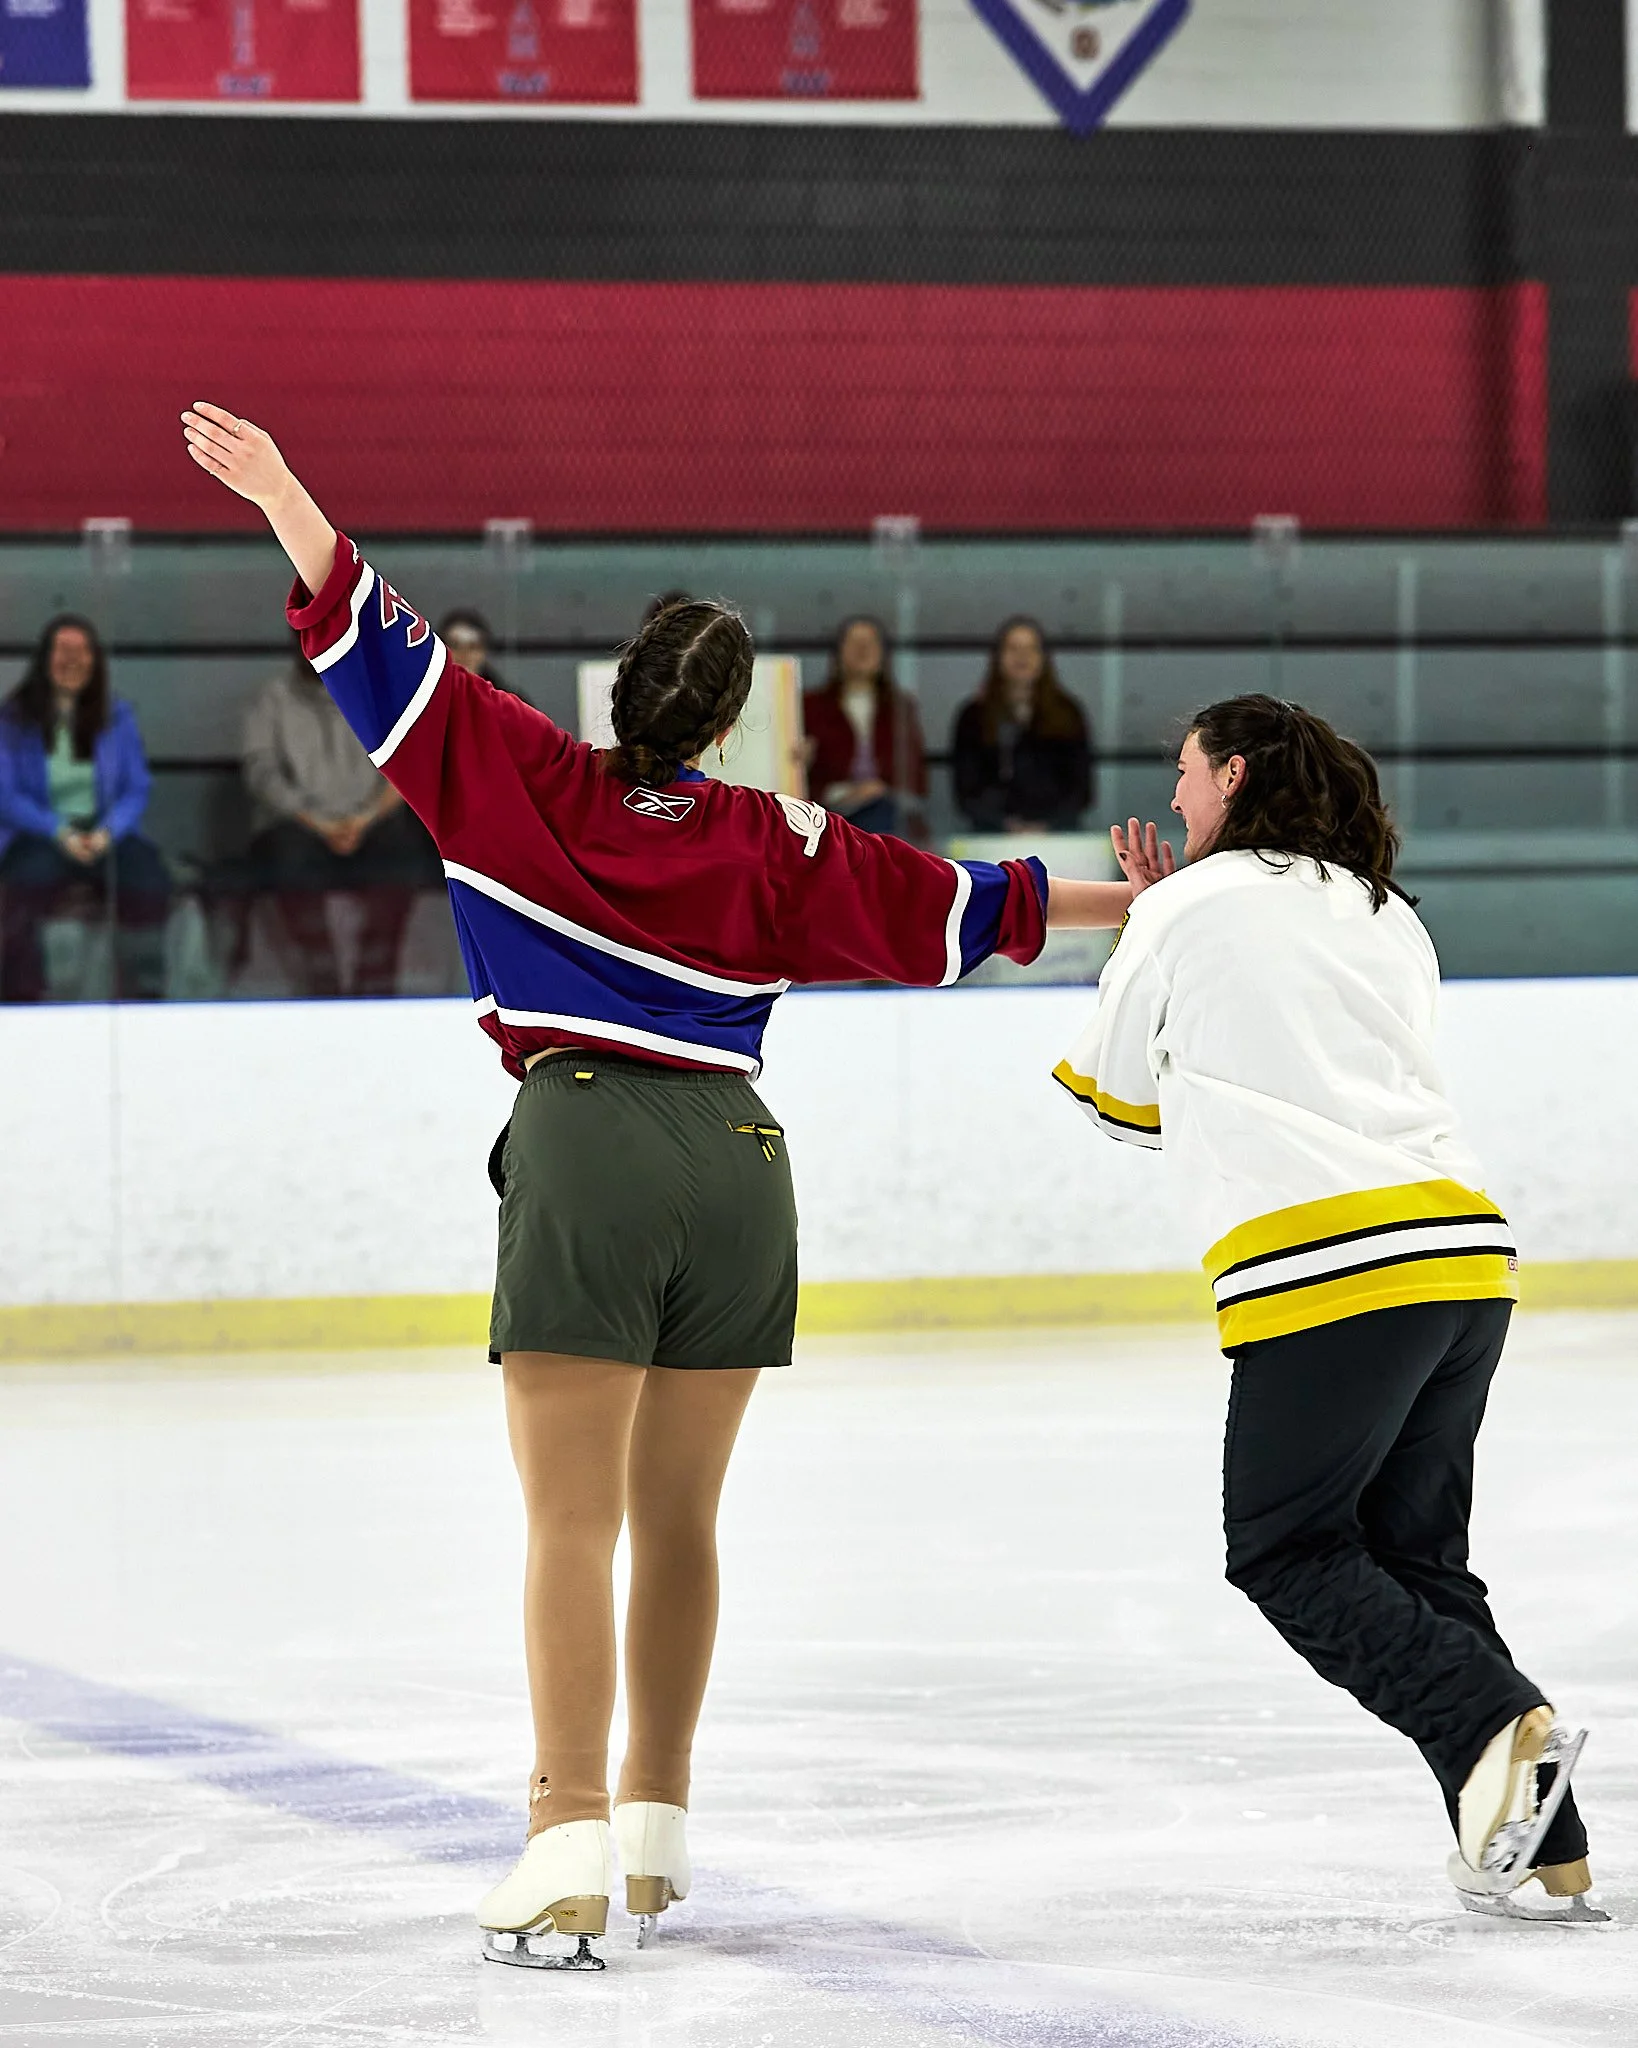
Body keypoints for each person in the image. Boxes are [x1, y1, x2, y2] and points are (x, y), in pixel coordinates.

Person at [179, 399, 1140, 1969]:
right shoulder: (786, 838)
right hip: (742, 1164)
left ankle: (560, 1833)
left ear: (621, 694)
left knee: (568, 1520)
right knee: (678, 1518)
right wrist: (1142, 902)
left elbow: (362, 628)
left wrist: (284, 485)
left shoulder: (516, 772)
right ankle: (652, 1831)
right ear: (727, 722)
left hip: (592, 1140)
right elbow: (977, 905)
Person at [1056, 695, 1602, 1925]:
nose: (1176, 798)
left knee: (1287, 1546)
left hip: (1328, 1269)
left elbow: (1113, 1100)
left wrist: (1144, 924)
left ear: (1233, 773)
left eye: (1186, 775)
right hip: (1463, 1263)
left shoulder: (1181, 906)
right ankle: (1548, 1850)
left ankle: (1495, 1724)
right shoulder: (1385, 912)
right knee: (1415, 1559)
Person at [243, 634, 443, 999]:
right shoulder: (273, 699)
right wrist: (314, 820)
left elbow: (404, 762)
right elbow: (262, 772)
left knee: (405, 851)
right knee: (284, 854)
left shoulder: (378, 693)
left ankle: (377, 973)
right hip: (302, 824)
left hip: (370, 821)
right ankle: (320, 974)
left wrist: (366, 818)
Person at [0, 615, 171, 1002]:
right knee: (25, 882)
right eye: (63, 650)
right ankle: (22, 992)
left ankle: (143, 988)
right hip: (41, 832)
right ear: (45, 658)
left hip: (103, 831)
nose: (72, 659)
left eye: (81, 651)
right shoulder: (12, 720)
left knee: (148, 880)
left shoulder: (118, 716)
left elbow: (137, 786)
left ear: (95, 661)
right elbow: (6, 794)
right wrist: (59, 832)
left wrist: (108, 831)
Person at [951, 617, 1093, 832]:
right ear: (998, 657)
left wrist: (1046, 826)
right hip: (992, 835)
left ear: (1044, 657)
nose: (1022, 657)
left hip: (1058, 834)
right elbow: (966, 790)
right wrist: (1005, 824)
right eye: (1013, 648)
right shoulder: (974, 716)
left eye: (1031, 649)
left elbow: (1081, 789)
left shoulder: (1068, 713)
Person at [802, 616, 926, 838]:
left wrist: (880, 788)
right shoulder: (812, 705)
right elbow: (803, 773)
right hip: (828, 808)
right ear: (838, 653)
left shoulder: (899, 707)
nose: (863, 650)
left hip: (884, 806)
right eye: (854, 643)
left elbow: (914, 774)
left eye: (870, 643)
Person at [437, 610, 530, 704]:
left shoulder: (510, 705)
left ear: (484, 652)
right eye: (455, 645)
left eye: (473, 647)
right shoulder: (426, 700)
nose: (464, 654)